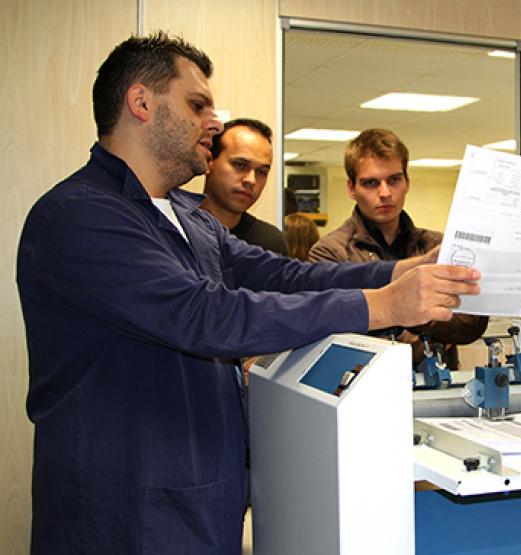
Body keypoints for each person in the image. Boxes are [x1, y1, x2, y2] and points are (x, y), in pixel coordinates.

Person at [16, 32, 479, 554]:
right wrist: (382, 306)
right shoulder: (80, 216)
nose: (213, 122)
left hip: (204, 497)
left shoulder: (188, 216)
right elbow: (205, 315)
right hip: (122, 511)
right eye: (197, 105)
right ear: (141, 103)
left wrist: (407, 270)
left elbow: (286, 277)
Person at [309, 128, 487, 369]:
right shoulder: (330, 253)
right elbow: (335, 331)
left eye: (394, 180)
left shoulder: (437, 247)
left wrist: (390, 315)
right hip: (365, 391)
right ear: (351, 188)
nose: (384, 193)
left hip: (439, 393)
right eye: (371, 183)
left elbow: (471, 325)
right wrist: (428, 321)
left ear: (407, 182)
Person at [201, 118, 288, 255]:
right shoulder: (175, 230)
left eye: (261, 172)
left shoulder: (270, 243)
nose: (251, 180)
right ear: (208, 162)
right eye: (240, 165)